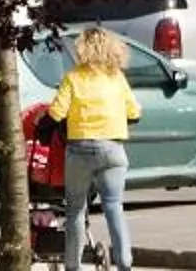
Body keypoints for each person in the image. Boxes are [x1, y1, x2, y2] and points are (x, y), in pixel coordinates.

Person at [47, 27, 141, 271]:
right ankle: (125, 263)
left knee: (76, 209)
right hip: (112, 149)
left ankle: (73, 266)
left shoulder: (73, 77)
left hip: (79, 149)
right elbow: (134, 113)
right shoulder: (117, 77)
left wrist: (44, 127)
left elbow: (56, 113)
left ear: (82, 49)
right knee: (114, 206)